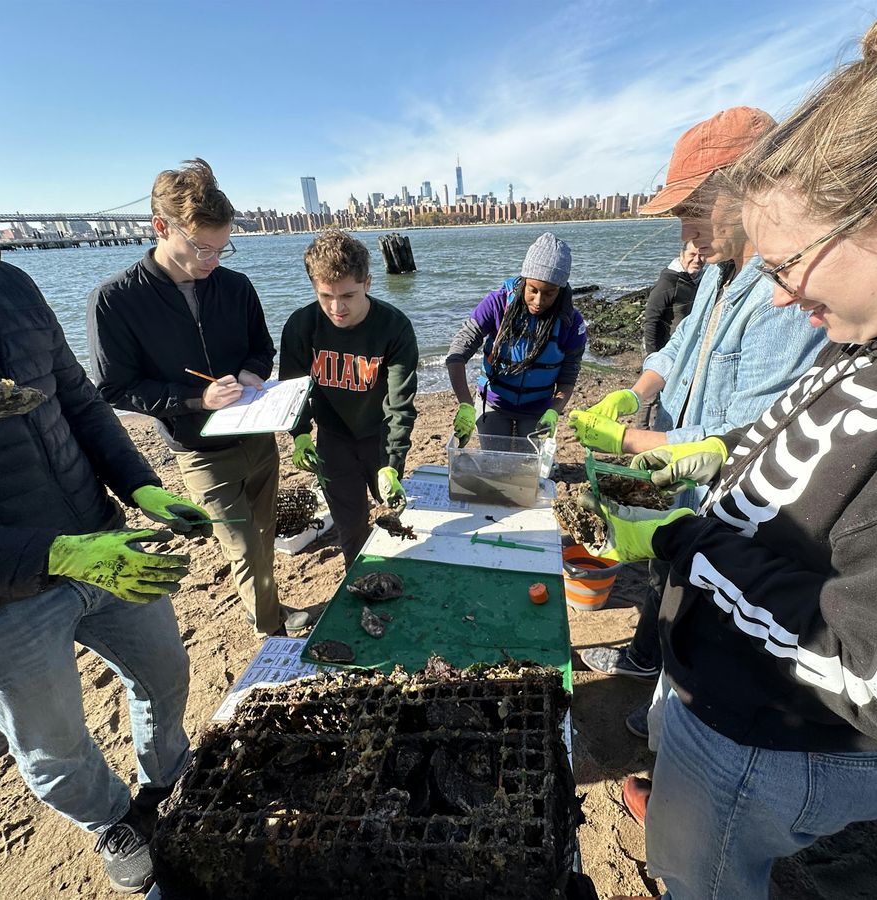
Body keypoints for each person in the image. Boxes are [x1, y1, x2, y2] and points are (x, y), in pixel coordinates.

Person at [590, 2, 877, 897]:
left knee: (703, 880)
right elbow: (803, 439)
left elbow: (871, 666)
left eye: (787, 267)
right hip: (728, 691)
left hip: (779, 737)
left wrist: (682, 540)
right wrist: (704, 463)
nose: (775, 298)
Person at [0, 39, 210, 894]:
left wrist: (137, 485)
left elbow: (78, 401)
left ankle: (169, 776)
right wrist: (49, 557)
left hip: (103, 539)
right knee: (54, 746)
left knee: (167, 676)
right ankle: (115, 822)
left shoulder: (7, 283)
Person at [568, 107, 826, 742]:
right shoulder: (715, 271)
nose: (684, 227)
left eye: (693, 207)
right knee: (665, 581)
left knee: (703, 616)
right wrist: (631, 396)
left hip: (731, 494)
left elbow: (744, 432)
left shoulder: (780, 295)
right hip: (678, 469)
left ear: (747, 188)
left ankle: (670, 726)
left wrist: (629, 442)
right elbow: (677, 349)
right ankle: (648, 682)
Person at [89, 159, 306, 636]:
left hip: (257, 436)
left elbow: (261, 348)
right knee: (243, 548)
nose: (212, 262)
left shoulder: (235, 285)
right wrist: (196, 398)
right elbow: (114, 388)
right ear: (160, 227)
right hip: (199, 451)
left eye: (222, 249)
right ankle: (271, 637)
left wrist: (251, 376)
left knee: (264, 538)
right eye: (202, 248)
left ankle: (268, 606)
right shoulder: (115, 300)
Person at [280, 230, 418, 569]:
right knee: (350, 523)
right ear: (314, 285)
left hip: (380, 436)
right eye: (325, 295)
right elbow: (291, 392)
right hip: (332, 441)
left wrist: (394, 461)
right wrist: (299, 435)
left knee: (396, 507)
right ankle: (361, 573)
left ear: (368, 283)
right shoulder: (300, 326)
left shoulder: (394, 327)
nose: (336, 307)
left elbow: (400, 403)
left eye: (348, 295)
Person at [446, 231, 587, 442]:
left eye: (549, 293)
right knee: (494, 460)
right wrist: (465, 404)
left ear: (561, 289)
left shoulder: (571, 322)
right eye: (533, 290)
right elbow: (457, 353)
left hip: (538, 408)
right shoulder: (496, 304)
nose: (538, 301)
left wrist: (554, 411)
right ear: (524, 281)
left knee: (527, 467)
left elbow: (568, 377)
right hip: (493, 403)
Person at [637, 240, 705, 429]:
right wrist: (652, 354)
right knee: (650, 395)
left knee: (673, 391)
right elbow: (651, 319)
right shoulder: (668, 281)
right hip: (660, 347)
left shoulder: (701, 280)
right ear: (681, 254)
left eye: (701, 255)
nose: (697, 260)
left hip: (683, 347)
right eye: (692, 255)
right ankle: (641, 431)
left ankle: (662, 431)